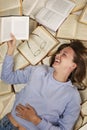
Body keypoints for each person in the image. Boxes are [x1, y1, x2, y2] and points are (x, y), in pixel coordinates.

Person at [0, 34, 87, 130]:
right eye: (59, 52)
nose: (57, 55)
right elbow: (7, 77)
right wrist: (10, 50)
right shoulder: (39, 71)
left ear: (73, 65)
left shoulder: (72, 95)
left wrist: (35, 120)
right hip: (6, 125)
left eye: (64, 54)